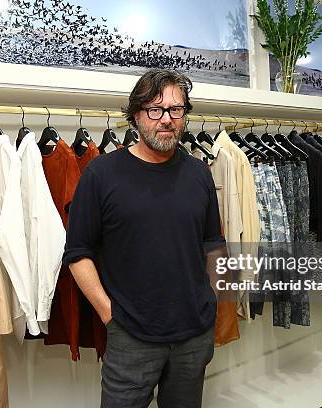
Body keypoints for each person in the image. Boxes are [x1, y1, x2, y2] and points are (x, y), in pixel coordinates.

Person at [63, 68, 224, 408]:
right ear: (136, 115)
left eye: (175, 109)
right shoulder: (101, 174)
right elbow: (78, 254)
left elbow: (213, 244)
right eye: (155, 109)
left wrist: (211, 302)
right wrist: (111, 316)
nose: (166, 119)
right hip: (131, 337)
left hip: (193, 336)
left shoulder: (199, 173)